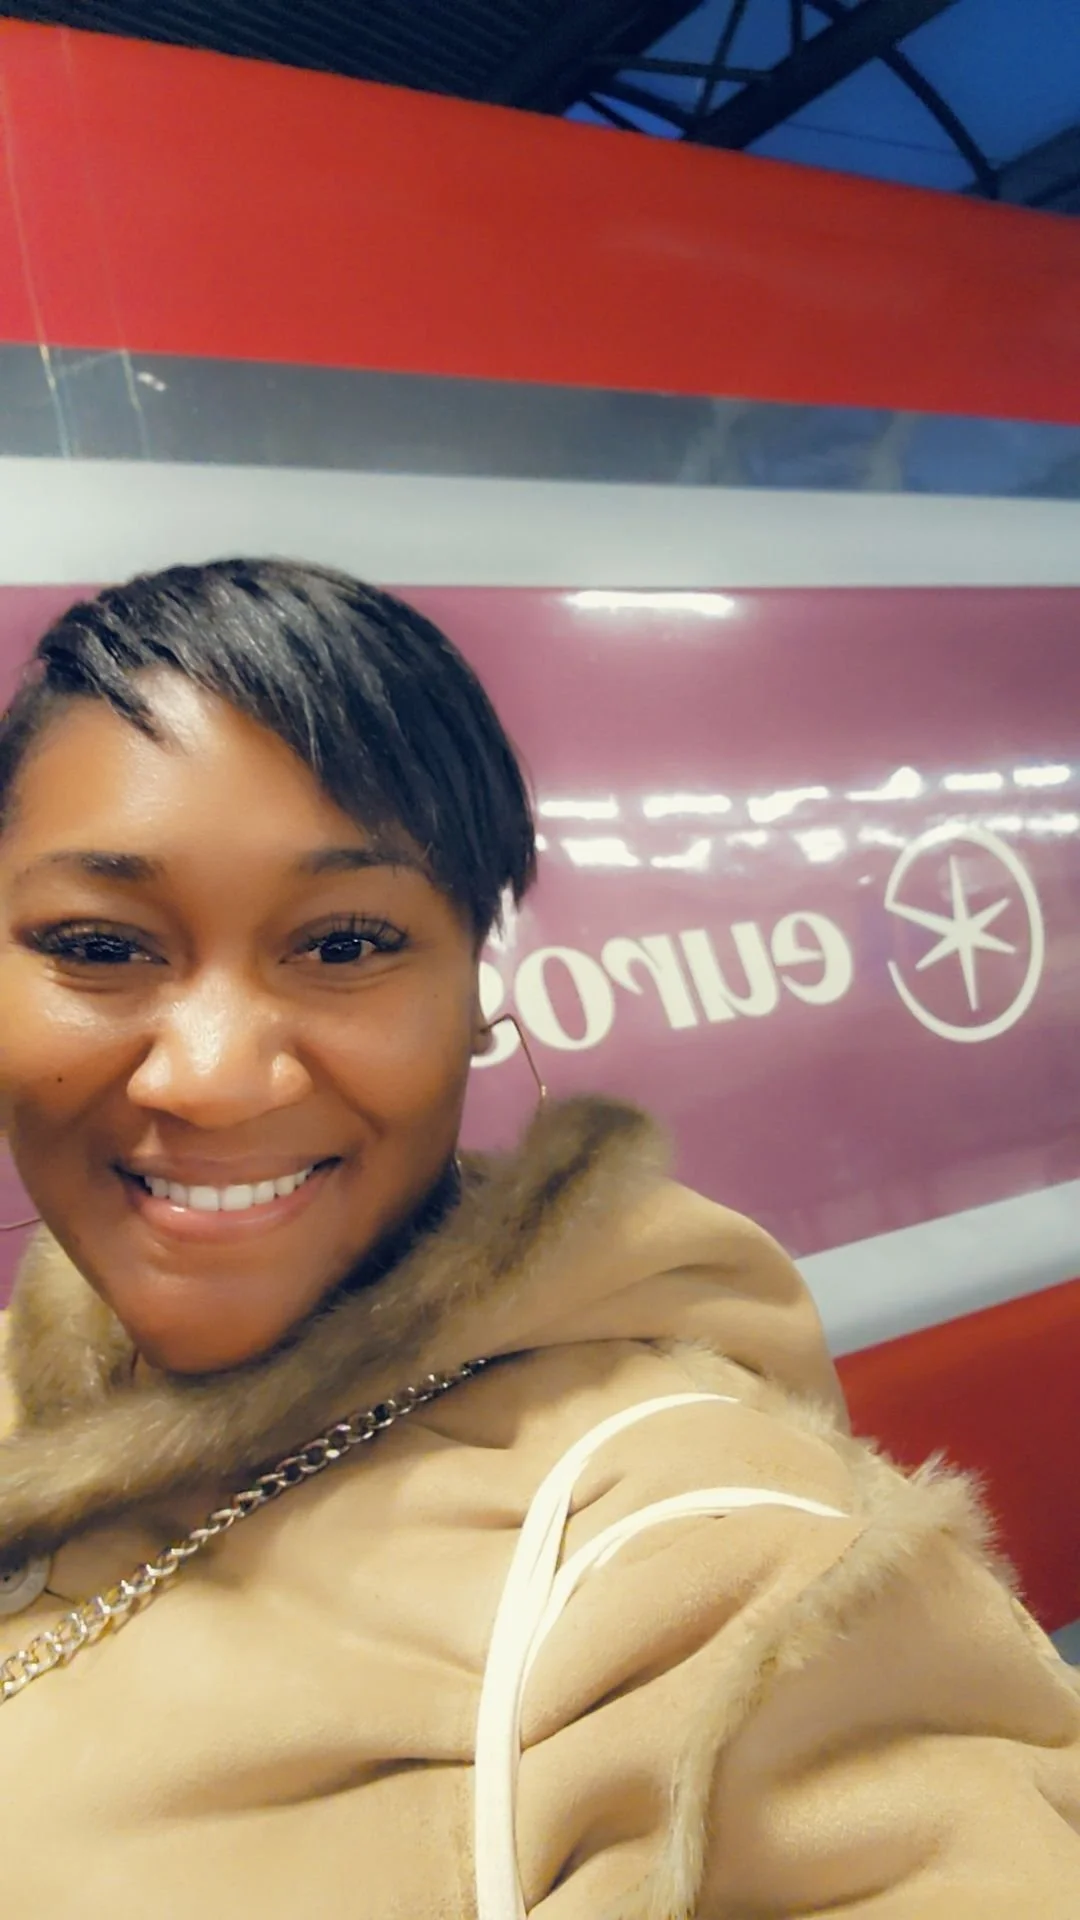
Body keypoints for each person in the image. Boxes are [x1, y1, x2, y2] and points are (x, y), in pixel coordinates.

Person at [0, 558, 1076, 1920]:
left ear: (475, 990)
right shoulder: (23, 1378)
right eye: (98, 944)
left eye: (341, 946)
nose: (213, 1076)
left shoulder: (721, 1574)